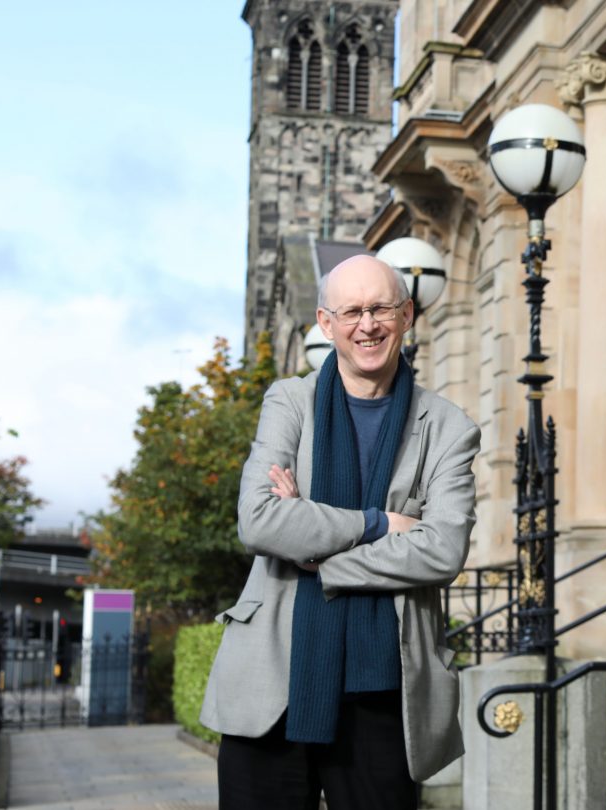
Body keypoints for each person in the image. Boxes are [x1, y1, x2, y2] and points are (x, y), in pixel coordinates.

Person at [201, 255, 480, 810]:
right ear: (326, 324)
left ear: (406, 316)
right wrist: (380, 524)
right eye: (352, 311)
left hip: (381, 688)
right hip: (271, 682)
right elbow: (258, 519)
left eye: (380, 309)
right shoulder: (289, 401)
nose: (367, 325)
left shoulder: (448, 428)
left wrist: (318, 557)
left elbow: (442, 551)